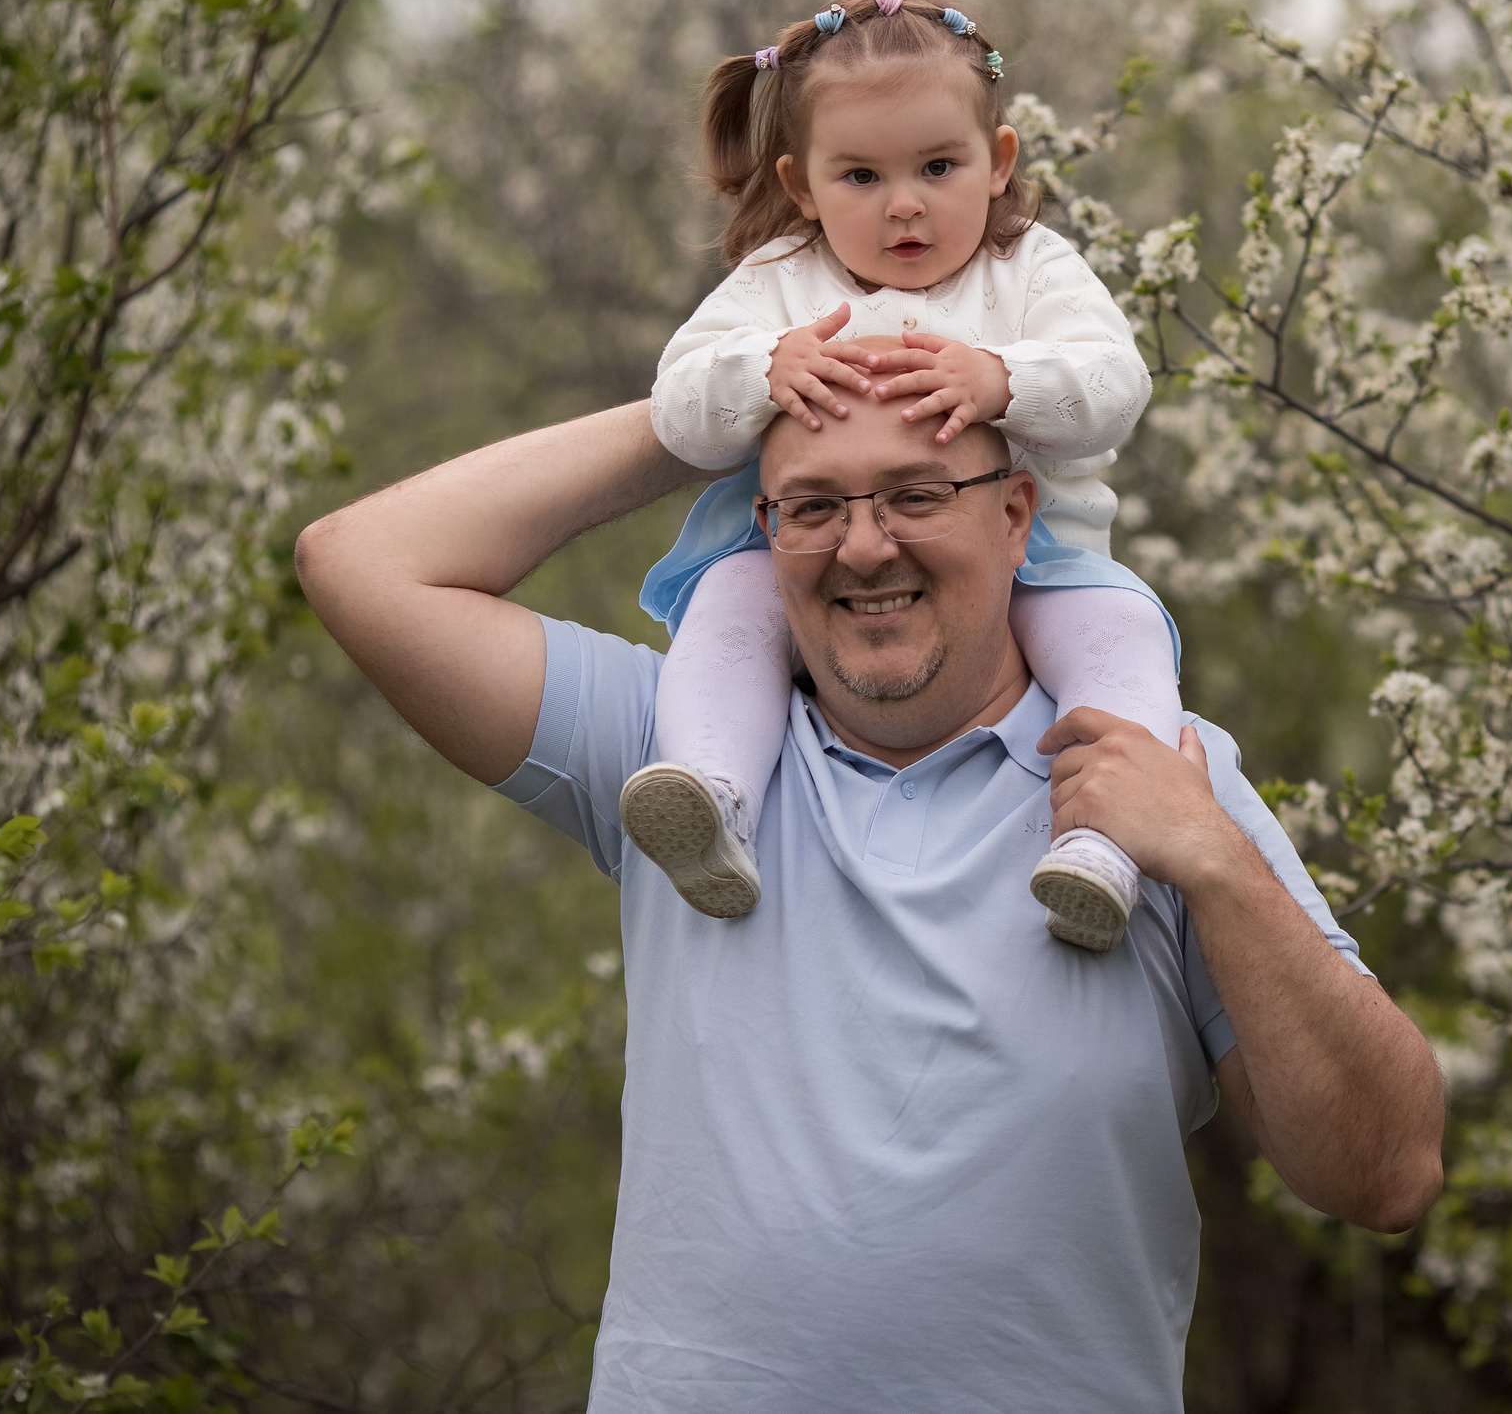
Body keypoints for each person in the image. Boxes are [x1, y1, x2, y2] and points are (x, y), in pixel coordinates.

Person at [292, 374, 1446, 1410]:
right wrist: (705, 401)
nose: (862, 548)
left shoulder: (1161, 776)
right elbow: (359, 561)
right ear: (763, 532)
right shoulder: (680, 766)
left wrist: (1214, 860)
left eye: (916, 494)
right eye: (812, 505)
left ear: (1016, 515)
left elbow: (1384, 1173)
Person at [630, 0, 1169, 953]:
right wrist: (762, 369)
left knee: (1125, 632)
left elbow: (1115, 383)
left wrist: (1004, 379)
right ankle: (712, 795)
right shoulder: (780, 283)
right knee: (726, 615)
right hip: (803, 554)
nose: (905, 204)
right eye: (861, 178)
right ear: (802, 188)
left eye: (937, 165)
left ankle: (1106, 838)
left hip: (1037, 560)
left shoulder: (1028, 272)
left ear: (997, 163)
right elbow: (676, 408)